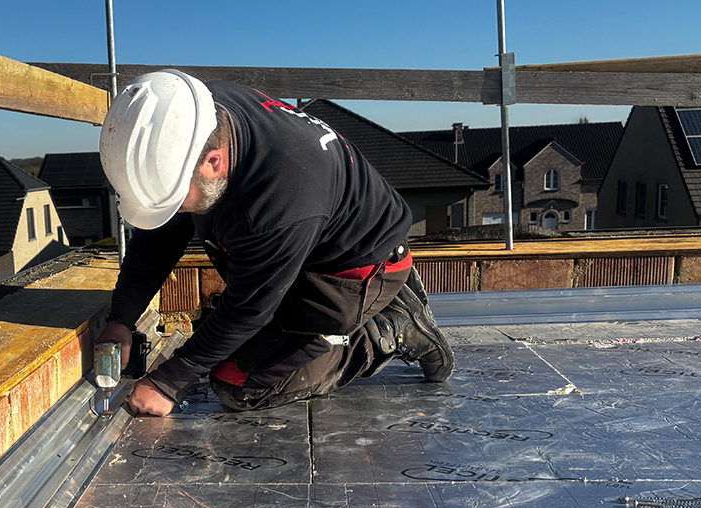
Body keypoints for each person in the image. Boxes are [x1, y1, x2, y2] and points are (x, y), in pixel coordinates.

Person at [96, 70, 453, 416]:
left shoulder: (275, 202)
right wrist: (122, 318)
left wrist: (168, 383)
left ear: (213, 162)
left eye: (175, 201)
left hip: (356, 270)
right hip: (305, 246)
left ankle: (387, 329)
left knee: (237, 382)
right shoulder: (196, 118)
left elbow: (249, 308)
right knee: (216, 343)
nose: (175, 212)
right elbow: (159, 237)